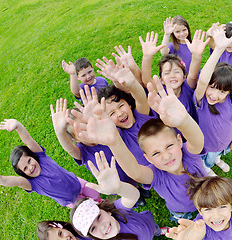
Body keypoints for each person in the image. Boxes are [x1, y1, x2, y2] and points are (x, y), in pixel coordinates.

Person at [72, 77, 206, 223]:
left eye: (169, 146)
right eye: (156, 153)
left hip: (208, 198)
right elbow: (135, 171)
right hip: (180, 209)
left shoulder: (189, 155)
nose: (166, 156)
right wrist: (113, 142)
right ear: (148, 158)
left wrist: (184, 120)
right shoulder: (157, 175)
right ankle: (178, 216)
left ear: (179, 141)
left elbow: (197, 141)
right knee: (181, 216)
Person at [0, 119, 101, 207]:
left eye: (29, 161)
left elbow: (28, 140)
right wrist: (1, 180)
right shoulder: (33, 184)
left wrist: (18, 126)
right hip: (72, 202)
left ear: (33, 156)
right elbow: (17, 181)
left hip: (79, 184)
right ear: (23, 173)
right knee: (92, 211)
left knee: (96, 196)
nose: (30, 167)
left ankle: (102, 203)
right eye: (25, 168)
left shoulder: (42, 158)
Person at [70, 151, 168, 239]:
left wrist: (118, 188)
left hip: (147, 224)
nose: (102, 227)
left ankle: (158, 231)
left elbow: (133, 196)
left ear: (106, 211)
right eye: (93, 229)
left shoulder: (118, 211)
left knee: (154, 229)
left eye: (99, 217)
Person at [194, 27, 232, 176]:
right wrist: (218, 49)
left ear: (230, 91)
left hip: (224, 143)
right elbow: (203, 80)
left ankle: (216, 159)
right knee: (206, 159)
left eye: (222, 91)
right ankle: (206, 167)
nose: (214, 95)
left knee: (217, 154)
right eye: (211, 87)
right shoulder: (201, 100)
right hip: (206, 146)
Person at [165, 167, 232, 240]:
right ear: (200, 211)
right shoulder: (199, 228)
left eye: (222, 207)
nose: (216, 216)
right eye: (207, 209)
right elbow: (193, 235)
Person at [140, 30, 210, 123]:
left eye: (176, 72)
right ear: (161, 80)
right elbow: (146, 81)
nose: (172, 76)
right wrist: (147, 57)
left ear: (184, 77)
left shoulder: (187, 88)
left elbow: (193, 75)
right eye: (167, 73)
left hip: (192, 134)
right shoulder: (161, 92)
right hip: (172, 136)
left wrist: (196, 55)